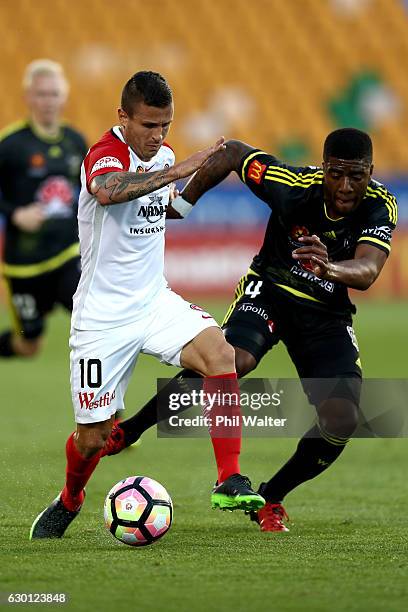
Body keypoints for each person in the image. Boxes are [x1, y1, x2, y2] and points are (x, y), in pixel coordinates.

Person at [97, 127, 397, 532]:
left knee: (342, 415)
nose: (345, 186)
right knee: (231, 360)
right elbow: (234, 151)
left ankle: (271, 497)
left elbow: (368, 270)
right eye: (336, 174)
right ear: (323, 168)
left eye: (356, 176)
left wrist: (330, 268)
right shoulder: (293, 186)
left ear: (370, 172)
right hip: (269, 290)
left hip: (325, 312)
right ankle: (129, 430)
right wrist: (185, 203)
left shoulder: (380, 204)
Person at [29, 71, 265, 540]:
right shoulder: (105, 154)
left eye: (166, 126)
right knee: (93, 437)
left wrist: (204, 178)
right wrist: (179, 170)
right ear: (123, 117)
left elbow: (166, 207)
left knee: (220, 354)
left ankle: (229, 478)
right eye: (149, 126)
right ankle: (71, 498)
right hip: (101, 318)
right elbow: (108, 190)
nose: (158, 137)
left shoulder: (165, 156)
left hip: (153, 301)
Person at [0, 59, 88, 358]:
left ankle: (98, 397)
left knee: (90, 317)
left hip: (67, 254)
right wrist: (14, 213)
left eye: (53, 94)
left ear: (63, 97)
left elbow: (92, 190)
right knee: (28, 344)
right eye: (41, 94)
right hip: (24, 263)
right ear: (28, 97)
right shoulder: (11, 144)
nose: (47, 101)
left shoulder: (76, 142)